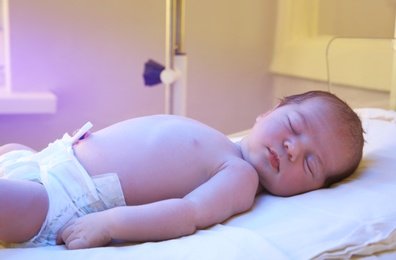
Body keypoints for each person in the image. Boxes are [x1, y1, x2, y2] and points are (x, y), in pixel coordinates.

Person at [0, 90, 364, 250]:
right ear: (268, 112)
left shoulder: (240, 176)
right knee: (11, 150)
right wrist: (33, 159)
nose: (294, 148)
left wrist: (110, 224)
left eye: (311, 163)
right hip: (48, 159)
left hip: (60, 202)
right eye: (294, 125)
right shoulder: (223, 143)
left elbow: (186, 214)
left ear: (310, 191)